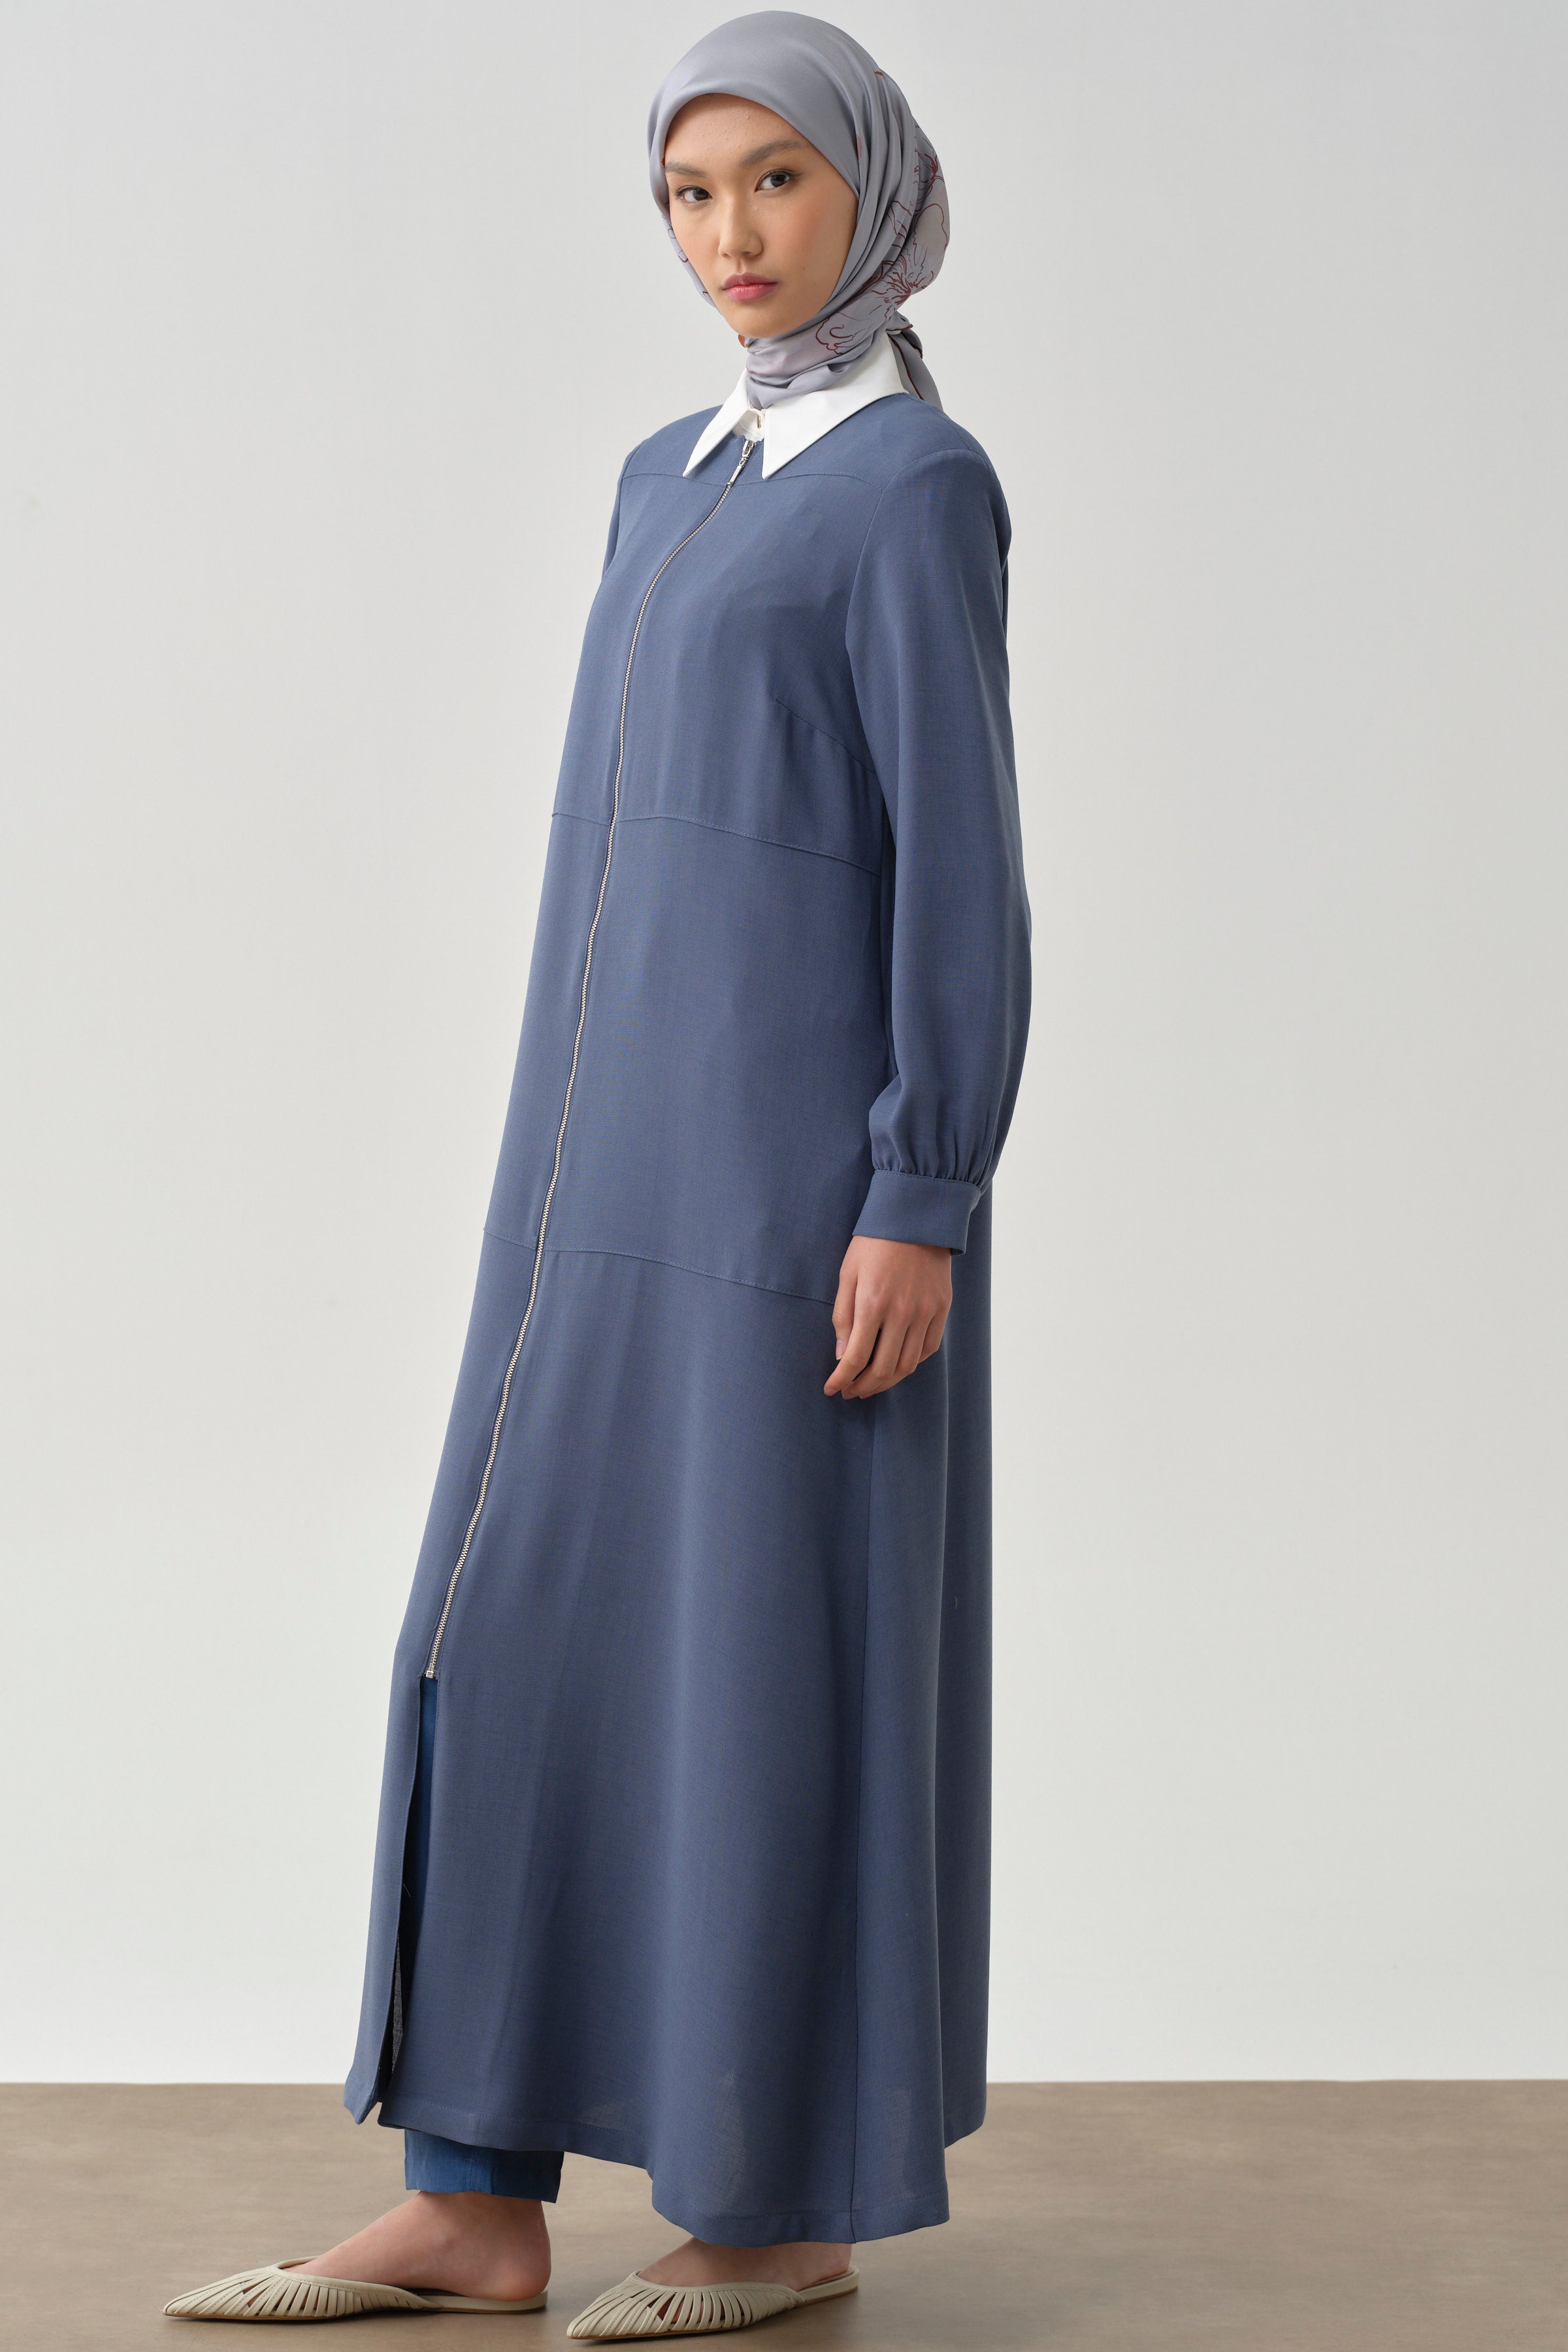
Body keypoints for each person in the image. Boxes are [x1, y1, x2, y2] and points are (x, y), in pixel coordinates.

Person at [165, 10, 1030, 2339]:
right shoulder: (669, 473)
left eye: (776, 181)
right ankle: (474, 2195)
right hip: (578, 1188)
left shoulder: (912, 487)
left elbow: (963, 868)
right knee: (505, 1628)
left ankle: (775, 2208)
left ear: (871, 189)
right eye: (687, 193)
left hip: (789, 1202)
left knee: (756, 1672)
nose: (730, 234)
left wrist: (922, 1189)